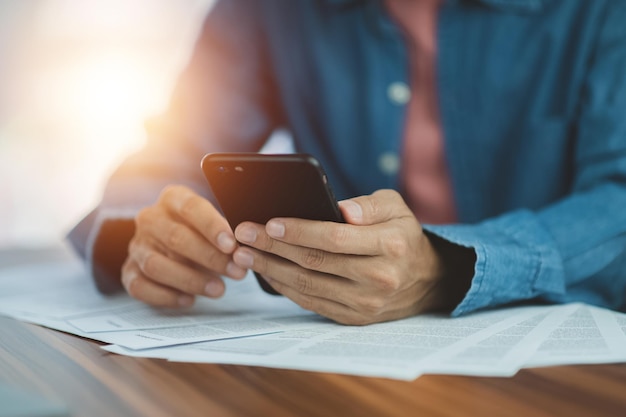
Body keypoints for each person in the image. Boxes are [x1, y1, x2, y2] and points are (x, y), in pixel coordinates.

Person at [68, 0, 626, 325]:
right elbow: (167, 153)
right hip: (338, 357)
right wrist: (150, 227)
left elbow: (618, 197)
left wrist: (445, 268)